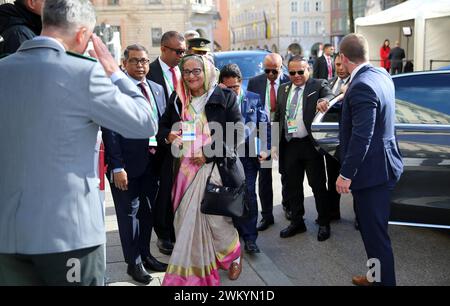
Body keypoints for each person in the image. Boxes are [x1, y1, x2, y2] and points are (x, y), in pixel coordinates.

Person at [0, 0, 156, 286]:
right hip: (69, 236)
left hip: (8, 235)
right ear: (83, 35)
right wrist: (114, 72)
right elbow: (145, 121)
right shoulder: (84, 72)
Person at [158, 54, 244, 286]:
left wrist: (208, 151)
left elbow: (237, 132)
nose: (191, 76)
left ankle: (233, 255)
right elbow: (163, 126)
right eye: (186, 72)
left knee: (217, 221)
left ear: (206, 72)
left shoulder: (224, 96)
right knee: (185, 221)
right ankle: (193, 270)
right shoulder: (178, 98)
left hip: (215, 168)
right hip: (183, 173)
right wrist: (168, 134)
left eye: (196, 71)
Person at [337, 34, 403, 286]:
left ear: (343, 58)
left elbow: (362, 136)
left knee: (376, 237)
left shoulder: (361, 86)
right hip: (383, 166)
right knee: (370, 232)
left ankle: (382, 282)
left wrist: (346, 174)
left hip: (372, 173)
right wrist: (347, 92)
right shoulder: (380, 75)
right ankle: (375, 276)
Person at [102, 44, 168, 285]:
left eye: (144, 61)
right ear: (124, 63)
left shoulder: (158, 89)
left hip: (154, 162)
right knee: (128, 214)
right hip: (126, 166)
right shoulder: (115, 90)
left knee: (148, 212)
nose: (140, 65)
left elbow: (162, 124)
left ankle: (147, 255)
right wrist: (117, 166)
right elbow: (110, 129)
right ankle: (134, 263)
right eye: (135, 61)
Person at [274, 56, 333, 242]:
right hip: (290, 145)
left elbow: (330, 94)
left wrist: (324, 100)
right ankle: (297, 222)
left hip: (310, 145)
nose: (297, 76)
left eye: (301, 71)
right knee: (293, 186)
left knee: (317, 186)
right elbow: (278, 117)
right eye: (292, 72)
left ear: (308, 69)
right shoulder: (283, 89)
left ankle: (324, 222)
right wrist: (275, 144)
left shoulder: (318, 84)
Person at [219, 64, 271, 254]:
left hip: (250, 157)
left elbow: (264, 125)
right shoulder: (218, 101)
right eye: (228, 87)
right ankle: (233, 234)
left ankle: (250, 238)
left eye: (236, 87)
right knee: (231, 195)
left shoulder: (253, 99)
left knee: (249, 193)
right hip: (228, 157)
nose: (233, 91)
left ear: (241, 82)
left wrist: (266, 150)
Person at [147, 30, 186, 256]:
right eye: (177, 51)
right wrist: (163, 135)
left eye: (183, 51)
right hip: (158, 143)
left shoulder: (187, 71)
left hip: (187, 144)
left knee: (181, 190)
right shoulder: (148, 72)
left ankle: (179, 230)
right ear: (163, 49)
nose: (182, 55)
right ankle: (163, 235)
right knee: (162, 193)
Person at [247, 53, 290, 230]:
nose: (271, 74)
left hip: (285, 131)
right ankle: (267, 215)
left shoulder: (290, 79)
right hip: (263, 132)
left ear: (282, 67)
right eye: (267, 70)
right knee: (264, 176)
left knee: (288, 172)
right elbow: (250, 109)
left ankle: (288, 206)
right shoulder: (255, 82)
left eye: (275, 71)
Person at [316, 55, 359, 230]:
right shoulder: (329, 82)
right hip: (332, 141)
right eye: (337, 65)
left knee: (354, 180)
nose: (340, 68)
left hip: (350, 141)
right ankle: (333, 212)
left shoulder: (356, 84)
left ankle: (360, 216)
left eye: (342, 64)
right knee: (332, 178)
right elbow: (322, 101)